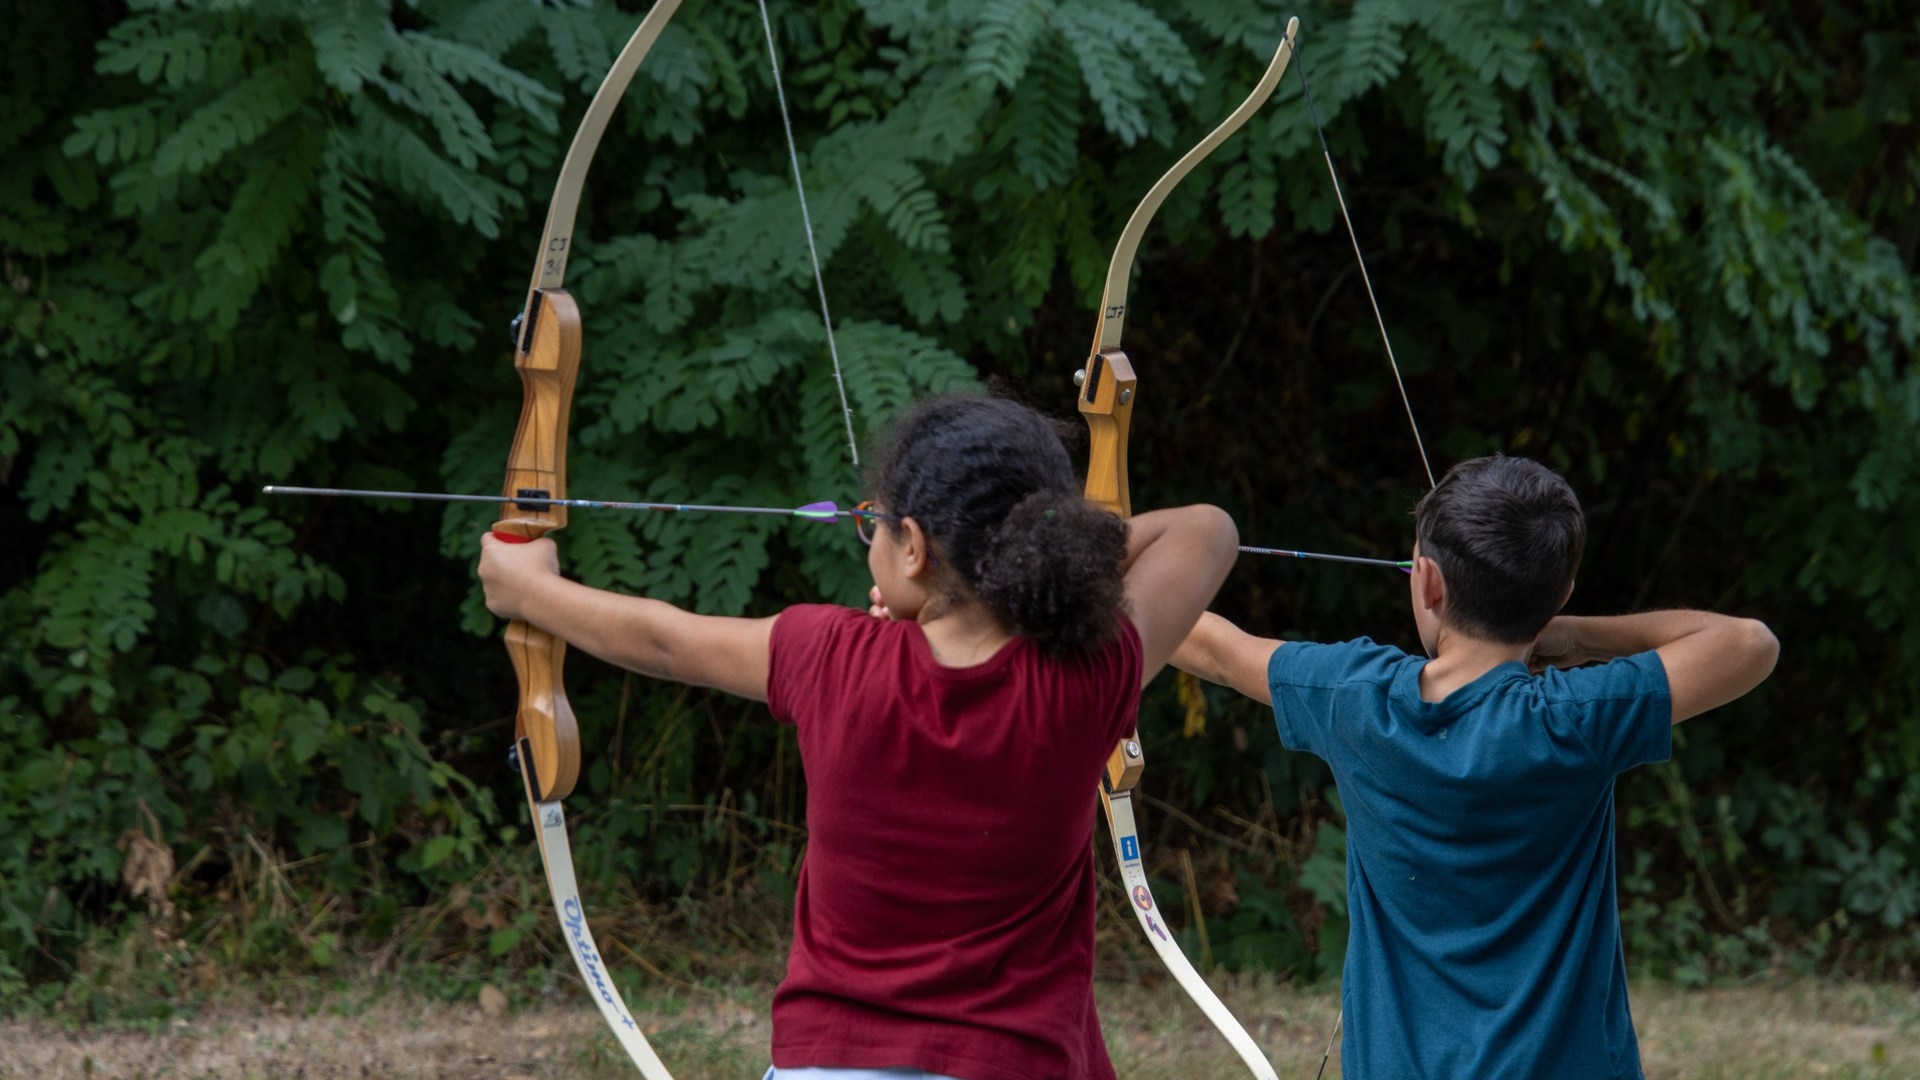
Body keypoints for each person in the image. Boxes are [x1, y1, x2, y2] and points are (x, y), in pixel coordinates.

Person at [478, 394, 1239, 1080]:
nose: (866, 536)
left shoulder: (828, 654)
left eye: (876, 521)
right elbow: (1207, 531)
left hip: (831, 1065)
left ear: (912, 546)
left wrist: (529, 589)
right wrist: (1033, 568)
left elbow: (663, 642)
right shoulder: (1082, 680)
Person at [1171, 454, 1778, 1079]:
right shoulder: (1576, 720)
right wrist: (1582, 635)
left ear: (1428, 582)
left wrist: (1099, 560)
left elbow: (1209, 646)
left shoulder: (1356, 699)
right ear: (1559, 596)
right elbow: (1749, 644)